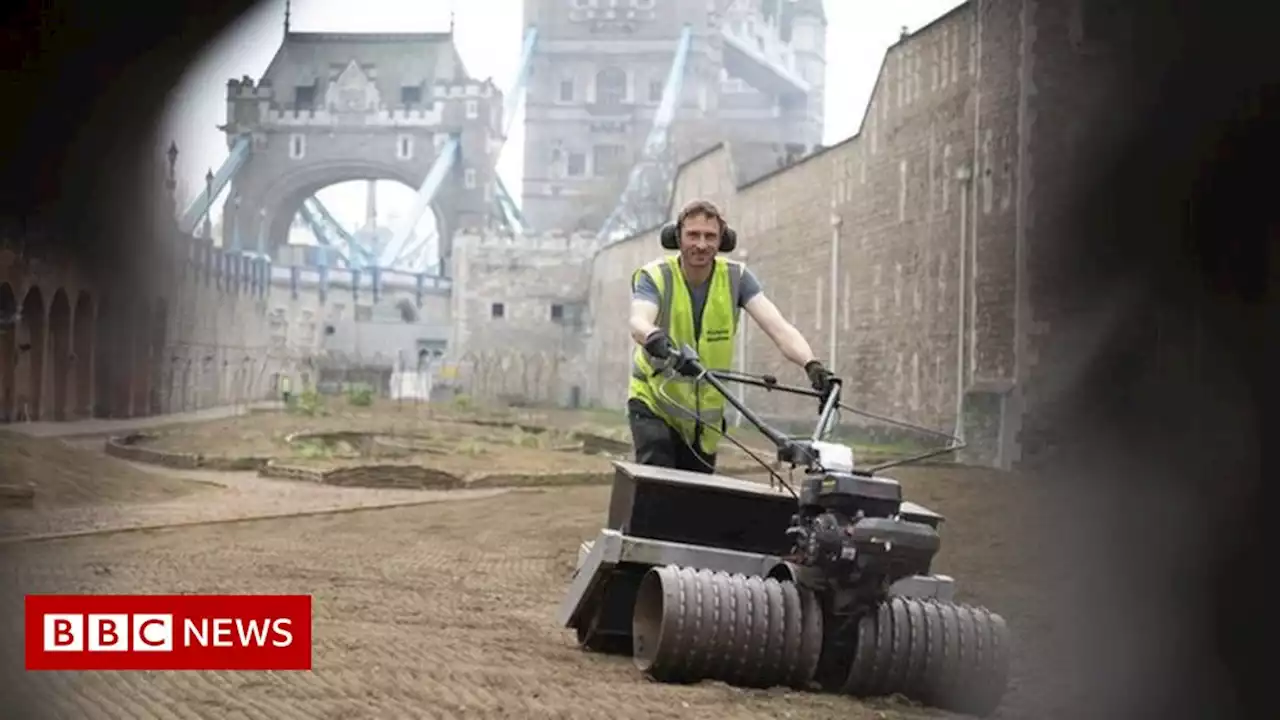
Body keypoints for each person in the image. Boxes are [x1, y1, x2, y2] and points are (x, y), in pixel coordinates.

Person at [627, 199, 837, 473]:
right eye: (693, 235)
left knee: (697, 497)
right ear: (677, 237)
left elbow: (778, 327)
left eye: (710, 236)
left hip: (704, 420)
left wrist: (812, 364)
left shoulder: (737, 279)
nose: (701, 244)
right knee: (658, 478)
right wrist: (654, 337)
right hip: (654, 402)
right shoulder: (655, 276)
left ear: (722, 240)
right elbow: (638, 320)